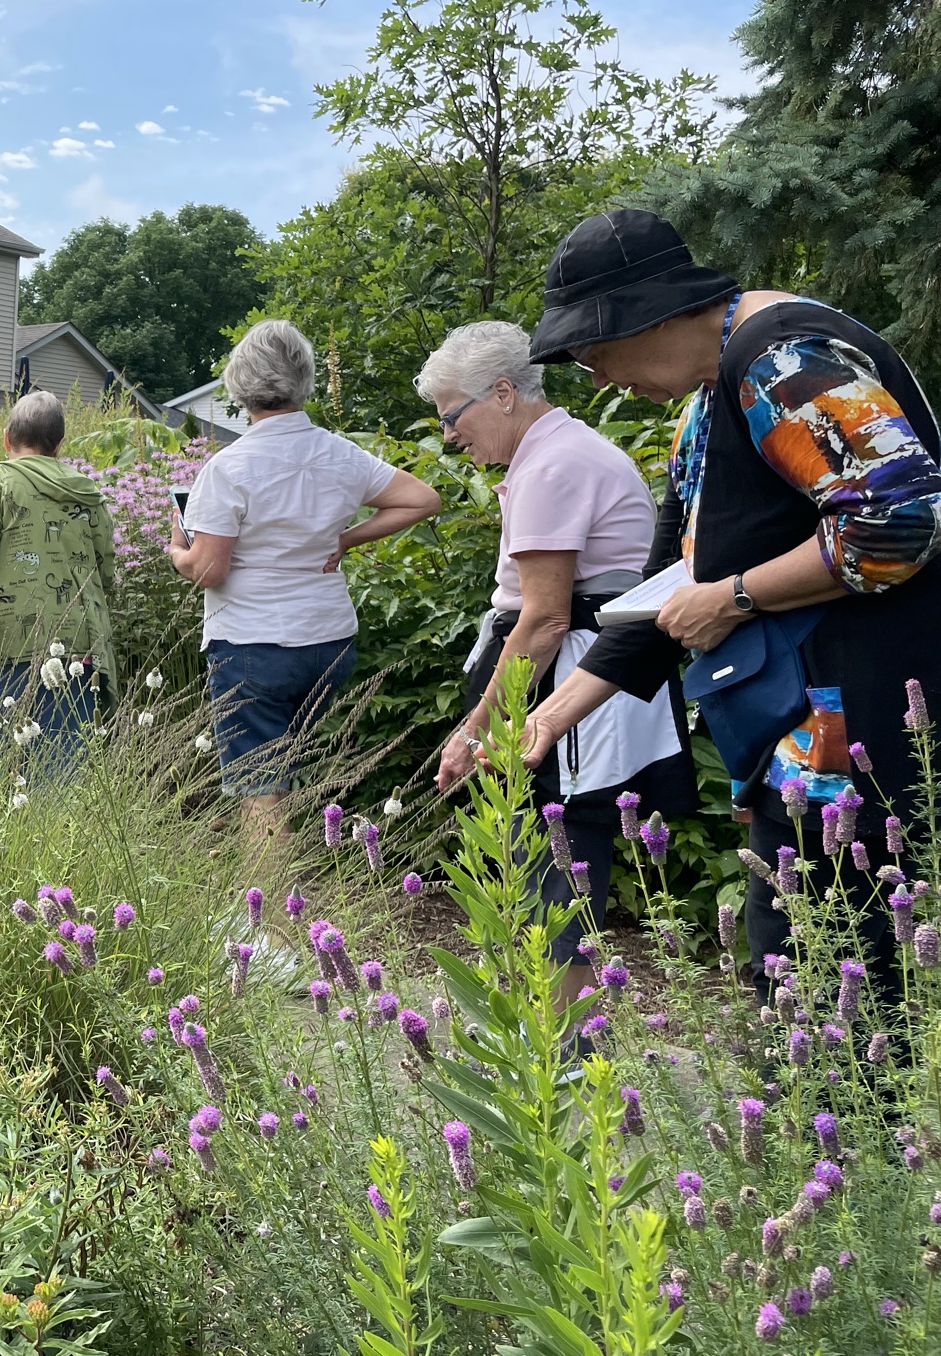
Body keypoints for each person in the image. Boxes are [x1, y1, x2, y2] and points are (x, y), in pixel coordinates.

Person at [520, 208, 941, 995]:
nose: (602, 378)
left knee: (845, 979)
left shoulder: (781, 362)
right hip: (803, 750)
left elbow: (900, 518)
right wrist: (548, 717)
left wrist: (738, 597)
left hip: (865, 741)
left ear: (654, 313)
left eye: (595, 352)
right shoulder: (711, 398)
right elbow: (664, 595)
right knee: (793, 967)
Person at [418, 319, 696, 971]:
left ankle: (561, 1054)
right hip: (592, 670)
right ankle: (554, 1041)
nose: (449, 433)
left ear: (505, 393)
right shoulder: (562, 450)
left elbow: (543, 621)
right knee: (560, 858)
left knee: (555, 862)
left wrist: (475, 726)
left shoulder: (551, 465)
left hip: (566, 677)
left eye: (453, 415)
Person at [169, 319, 441, 840]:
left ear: (240, 386)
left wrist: (177, 550)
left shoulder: (228, 468)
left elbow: (208, 569)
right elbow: (422, 498)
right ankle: (290, 895)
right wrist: (347, 538)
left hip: (254, 642)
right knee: (288, 771)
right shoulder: (340, 454)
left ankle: (267, 918)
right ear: (305, 379)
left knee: (259, 789)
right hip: (329, 641)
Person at [0, 390, 114, 779]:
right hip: (76, 645)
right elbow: (106, 570)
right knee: (61, 769)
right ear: (59, 445)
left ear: (5, 438)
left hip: (3, 639)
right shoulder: (89, 492)